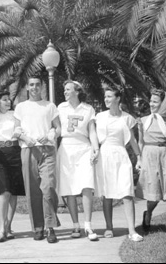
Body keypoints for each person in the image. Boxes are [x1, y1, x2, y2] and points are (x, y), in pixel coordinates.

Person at [13, 75, 61, 243]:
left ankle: (50, 227)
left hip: (47, 150)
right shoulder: (21, 107)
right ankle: (38, 228)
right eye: (31, 85)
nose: (34, 87)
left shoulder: (50, 106)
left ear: (42, 87)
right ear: (27, 87)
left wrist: (50, 134)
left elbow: (58, 128)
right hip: (28, 150)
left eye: (37, 85)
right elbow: (16, 129)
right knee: (33, 191)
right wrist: (25, 138)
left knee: (48, 188)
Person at [94, 86, 143, 242]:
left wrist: (139, 157)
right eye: (105, 97)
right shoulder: (99, 116)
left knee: (127, 192)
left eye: (109, 96)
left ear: (118, 98)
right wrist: (94, 151)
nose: (106, 99)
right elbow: (93, 136)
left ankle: (132, 230)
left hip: (121, 155)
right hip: (105, 155)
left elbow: (133, 141)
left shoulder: (127, 118)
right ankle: (109, 227)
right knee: (107, 194)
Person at [57, 80, 99, 241]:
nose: (65, 92)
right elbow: (56, 128)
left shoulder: (88, 109)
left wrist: (96, 149)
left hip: (84, 148)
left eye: (68, 89)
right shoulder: (60, 108)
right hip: (66, 148)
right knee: (69, 190)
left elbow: (92, 131)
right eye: (64, 89)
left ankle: (88, 225)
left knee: (87, 186)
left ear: (77, 91)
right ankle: (76, 225)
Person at [135, 89, 166, 237]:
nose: (151, 104)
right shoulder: (142, 121)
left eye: (155, 101)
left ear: (162, 104)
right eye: (151, 101)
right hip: (149, 156)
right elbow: (140, 142)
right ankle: (148, 214)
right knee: (153, 195)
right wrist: (139, 160)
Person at [0, 90, 26, 242]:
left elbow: (20, 129)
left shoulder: (15, 115)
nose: (8, 102)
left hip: (16, 152)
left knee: (14, 192)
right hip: (1, 154)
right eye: (4, 100)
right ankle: (2, 228)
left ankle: (9, 226)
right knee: (4, 191)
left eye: (9, 100)